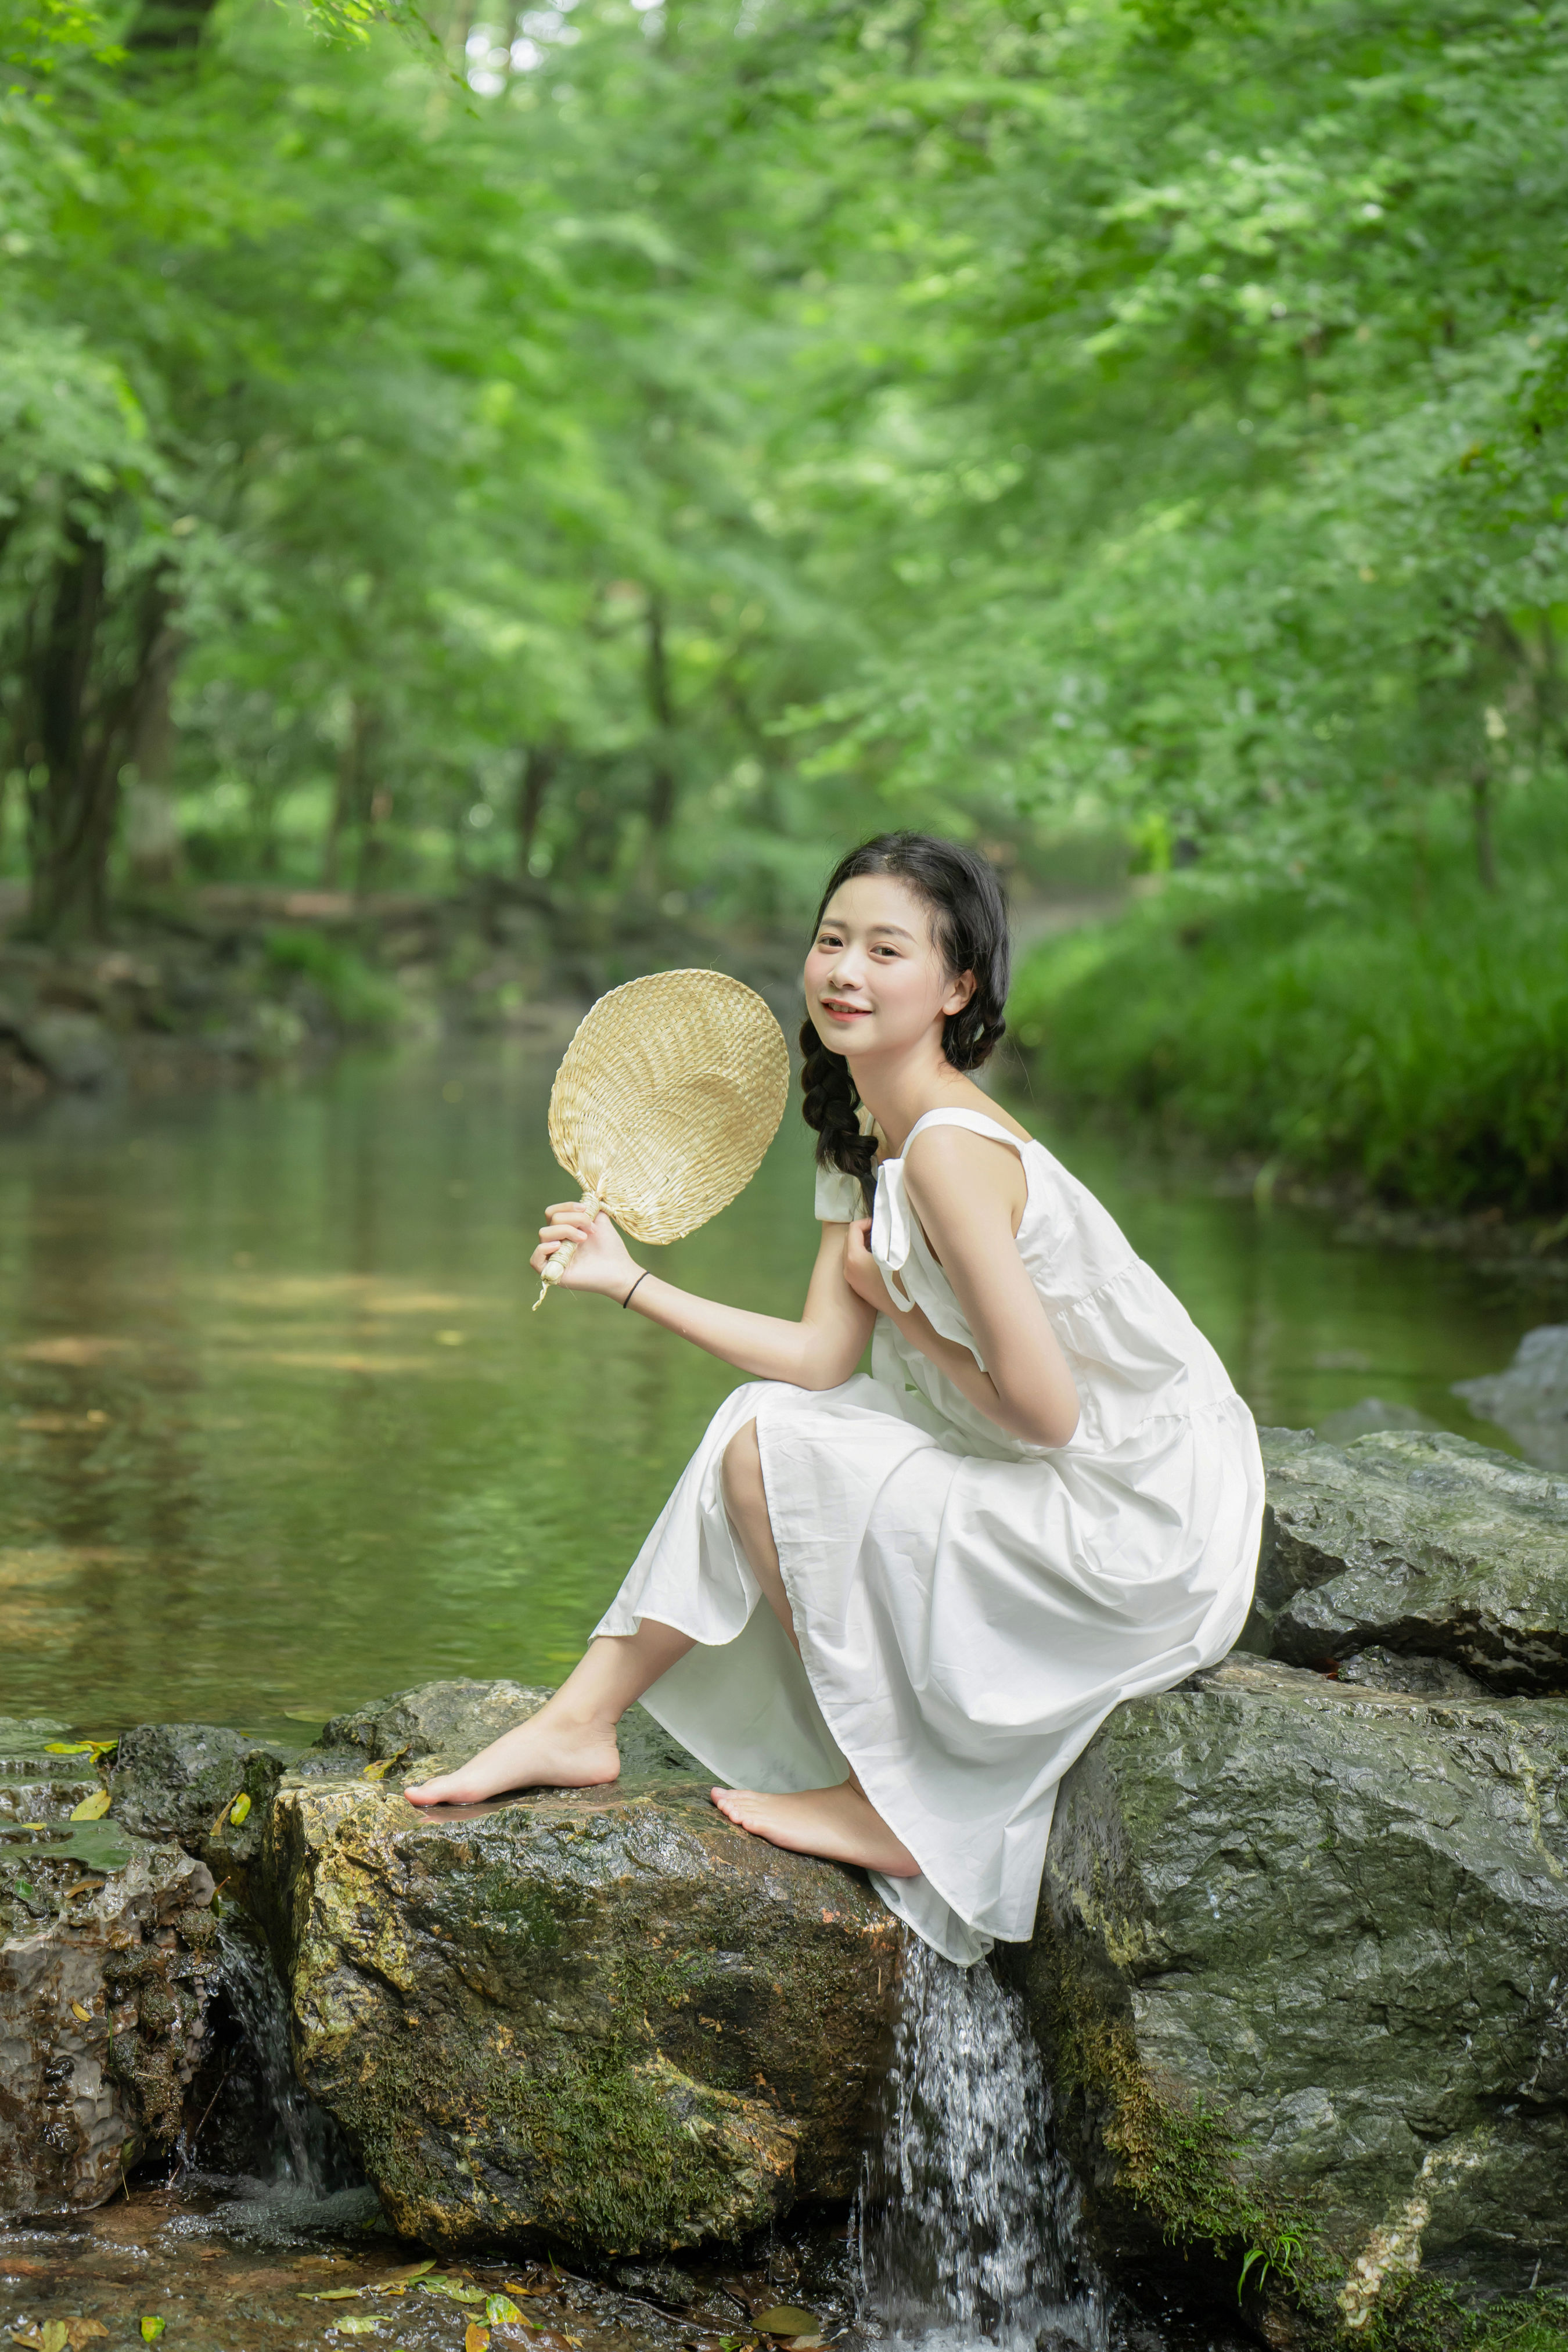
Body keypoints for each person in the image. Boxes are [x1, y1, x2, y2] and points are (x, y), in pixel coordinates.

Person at [407, 832, 1264, 1965]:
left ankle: (884, 1801)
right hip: (1040, 1471)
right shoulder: (861, 1132)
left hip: (1129, 1520)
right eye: (831, 940)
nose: (845, 971)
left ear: (958, 988)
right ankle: (578, 1722)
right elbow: (817, 1356)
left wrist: (902, 1314)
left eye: (886, 950)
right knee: (760, 1425)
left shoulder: (955, 1151)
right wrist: (628, 1281)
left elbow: (1051, 1412)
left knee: (767, 1440)